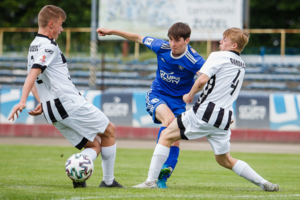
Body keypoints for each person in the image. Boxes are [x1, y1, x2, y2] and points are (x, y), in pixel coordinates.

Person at [133, 27, 280, 191]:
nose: (220, 42)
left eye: (224, 40)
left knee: (166, 134)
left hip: (206, 112)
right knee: (225, 160)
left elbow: (202, 80)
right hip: (224, 117)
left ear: (233, 45)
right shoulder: (241, 64)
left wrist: (190, 94)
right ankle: (264, 183)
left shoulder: (218, 56)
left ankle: (150, 182)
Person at [8, 5, 124, 189]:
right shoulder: (49, 46)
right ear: (52, 24)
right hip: (67, 103)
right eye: (61, 25)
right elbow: (33, 73)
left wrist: (40, 101)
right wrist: (23, 101)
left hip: (51, 110)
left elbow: (33, 76)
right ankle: (108, 182)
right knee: (109, 130)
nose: (62, 29)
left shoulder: (33, 46)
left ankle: (78, 174)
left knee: (94, 145)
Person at [97, 23, 205, 188]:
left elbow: (207, 79)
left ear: (187, 40)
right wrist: (111, 31)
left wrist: (195, 90)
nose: (172, 44)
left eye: (177, 41)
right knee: (169, 121)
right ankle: (151, 179)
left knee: (174, 140)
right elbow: (137, 37)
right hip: (157, 95)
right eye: (170, 39)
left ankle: (161, 179)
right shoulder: (161, 47)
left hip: (178, 102)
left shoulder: (195, 60)